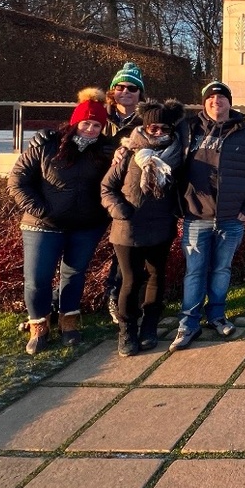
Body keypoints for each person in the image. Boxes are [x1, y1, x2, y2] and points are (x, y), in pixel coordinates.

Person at [7, 88, 113, 354]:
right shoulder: (46, 145)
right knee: (37, 279)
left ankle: (69, 322)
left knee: (74, 275)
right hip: (43, 224)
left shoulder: (104, 152)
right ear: (75, 121)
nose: (90, 129)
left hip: (86, 226)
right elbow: (17, 180)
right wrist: (40, 210)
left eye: (96, 125)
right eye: (86, 123)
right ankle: (39, 326)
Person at [169, 81, 245, 351]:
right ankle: (188, 324)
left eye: (222, 97)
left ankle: (216, 316)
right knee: (194, 272)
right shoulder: (187, 129)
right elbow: (157, 144)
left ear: (229, 101)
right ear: (204, 103)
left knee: (221, 270)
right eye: (211, 98)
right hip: (196, 215)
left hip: (230, 219)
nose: (216, 101)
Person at [100, 99, 185, 357]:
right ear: (144, 128)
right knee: (131, 279)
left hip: (160, 226)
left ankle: (150, 325)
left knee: (156, 276)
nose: (158, 133)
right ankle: (127, 330)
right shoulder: (127, 154)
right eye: (152, 128)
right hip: (128, 228)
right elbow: (107, 188)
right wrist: (120, 211)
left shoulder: (177, 157)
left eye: (163, 128)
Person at [101, 62, 148, 324]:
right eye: (120, 87)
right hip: (99, 191)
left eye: (132, 88)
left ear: (140, 94)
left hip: (128, 194)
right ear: (112, 91)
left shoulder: (145, 122)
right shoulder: (97, 116)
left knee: (123, 251)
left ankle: (116, 295)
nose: (126, 92)